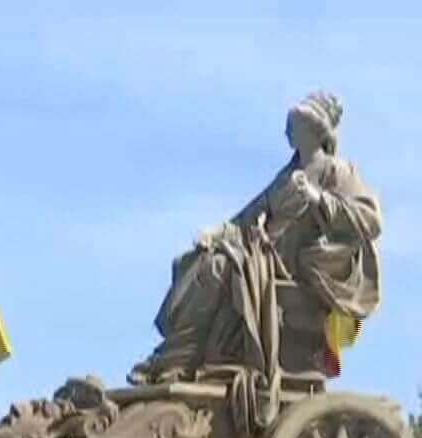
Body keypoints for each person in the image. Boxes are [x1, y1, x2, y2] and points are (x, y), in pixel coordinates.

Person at [132, 91, 383, 387]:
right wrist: (216, 233)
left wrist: (318, 198)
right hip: (265, 255)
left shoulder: (337, 170)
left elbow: (370, 220)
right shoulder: (286, 176)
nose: (288, 132)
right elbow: (248, 217)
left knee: (220, 268)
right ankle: (175, 357)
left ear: (315, 129)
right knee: (203, 261)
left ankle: (179, 361)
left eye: (295, 125)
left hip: (294, 267)